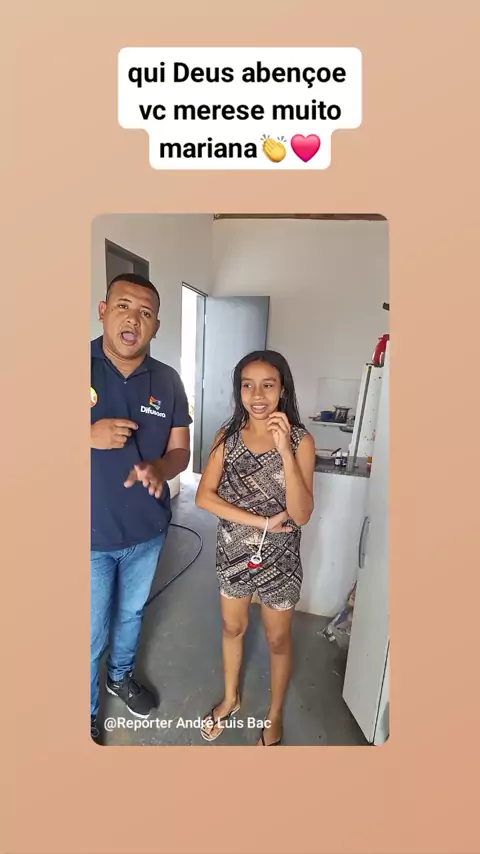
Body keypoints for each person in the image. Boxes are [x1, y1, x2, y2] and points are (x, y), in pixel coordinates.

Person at [195, 350, 316, 745]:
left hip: (281, 560)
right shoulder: (227, 437)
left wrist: (284, 452)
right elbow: (203, 497)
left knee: (278, 640)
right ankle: (231, 699)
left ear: (283, 390)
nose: (258, 395)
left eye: (268, 385)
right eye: (248, 385)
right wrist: (262, 522)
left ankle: (275, 714)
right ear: (239, 390)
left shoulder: (300, 441)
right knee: (233, 628)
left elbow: (301, 514)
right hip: (233, 554)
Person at [90, 273, 191, 743]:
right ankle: (87, 711)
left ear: (156, 326)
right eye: (123, 306)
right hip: (88, 534)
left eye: (146, 312)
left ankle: (120, 676)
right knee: (89, 631)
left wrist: (160, 469)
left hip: (147, 532)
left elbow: (181, 451)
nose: (133, 319)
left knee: (131, 615)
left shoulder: (168, 381)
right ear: (103, 311)